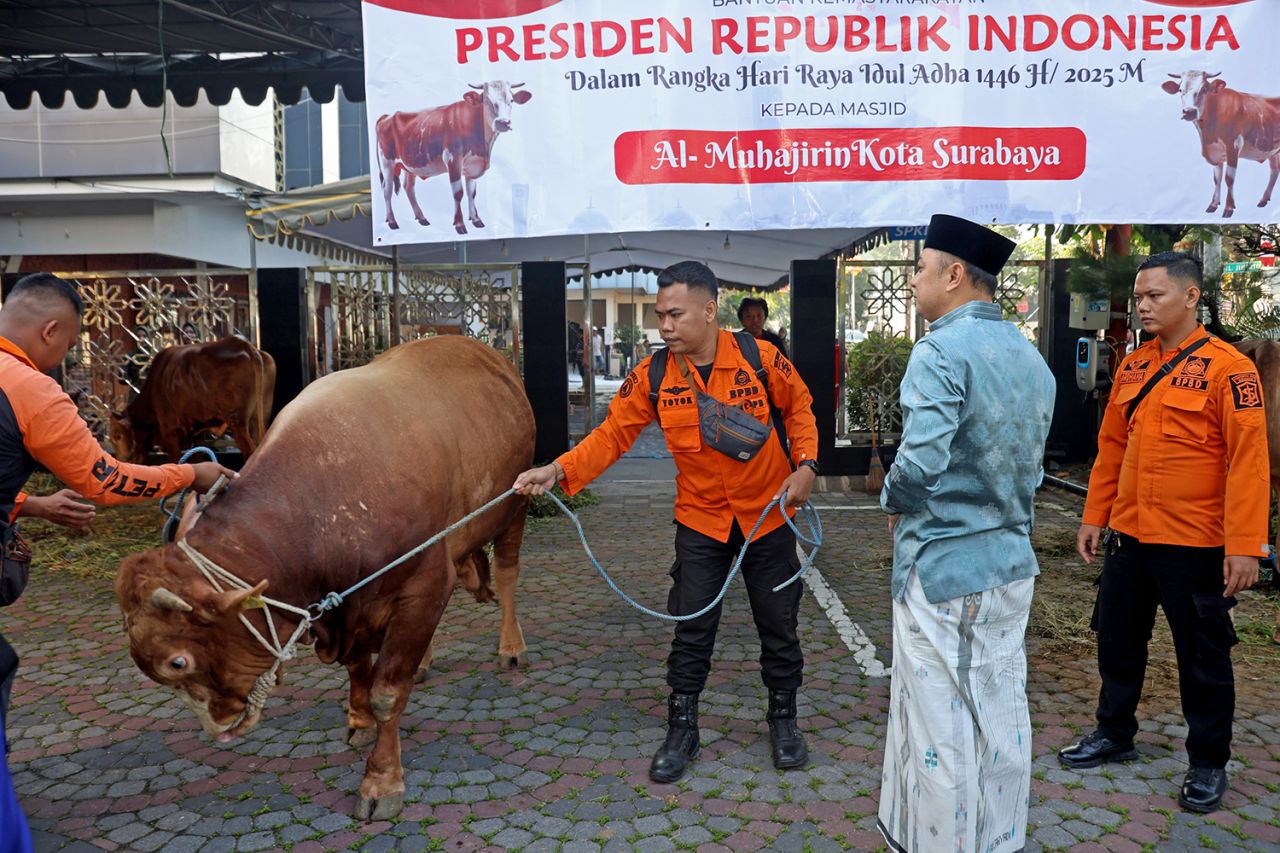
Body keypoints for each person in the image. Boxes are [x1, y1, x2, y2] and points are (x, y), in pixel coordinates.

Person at [514, 260, 820, 783]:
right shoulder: (653, 375)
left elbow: (800, 409)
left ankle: (784, 720)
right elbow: (611, 436)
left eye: (675, 314)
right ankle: (683, 728)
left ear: (709, 310)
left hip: (768, 516)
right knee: (691, 627)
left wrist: (808, 466)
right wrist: (558, 470)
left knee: (779, 624)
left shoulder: (759, 357)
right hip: (701, 521)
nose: (665, 326)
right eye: (660, 315)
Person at [0, 273, 233, 849]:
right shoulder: (28, 388)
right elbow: (106, 479)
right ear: (50, 330)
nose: (64, 357)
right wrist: (191, 474)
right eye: (69, 344)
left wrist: (28, 505)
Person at [1061, 252, 1269, 814]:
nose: (1143, 305)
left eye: (1155, 295)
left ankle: (1207, 762)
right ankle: (1114, 732)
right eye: (1140, 296)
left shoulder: (1231, 370)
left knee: (1203, 658)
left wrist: (1246, 546)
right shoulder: (1132, 368)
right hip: (1130, 539)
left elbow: (1249, 463)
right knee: (1117, 641)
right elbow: (1111, 450)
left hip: (1195, 547)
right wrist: (1093, 517)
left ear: (1191, 297)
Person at [877, 215, 1055, 853]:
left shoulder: (938, 350)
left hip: (944, 571)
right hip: (1012, 566)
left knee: (939, 733)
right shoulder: (1031, 357)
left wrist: (893, 500)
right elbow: (1029, 470)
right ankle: (1001, 841)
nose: (914, 281)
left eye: (920, 269)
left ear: (954, 275)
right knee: (1003, 719)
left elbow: (918, 463)